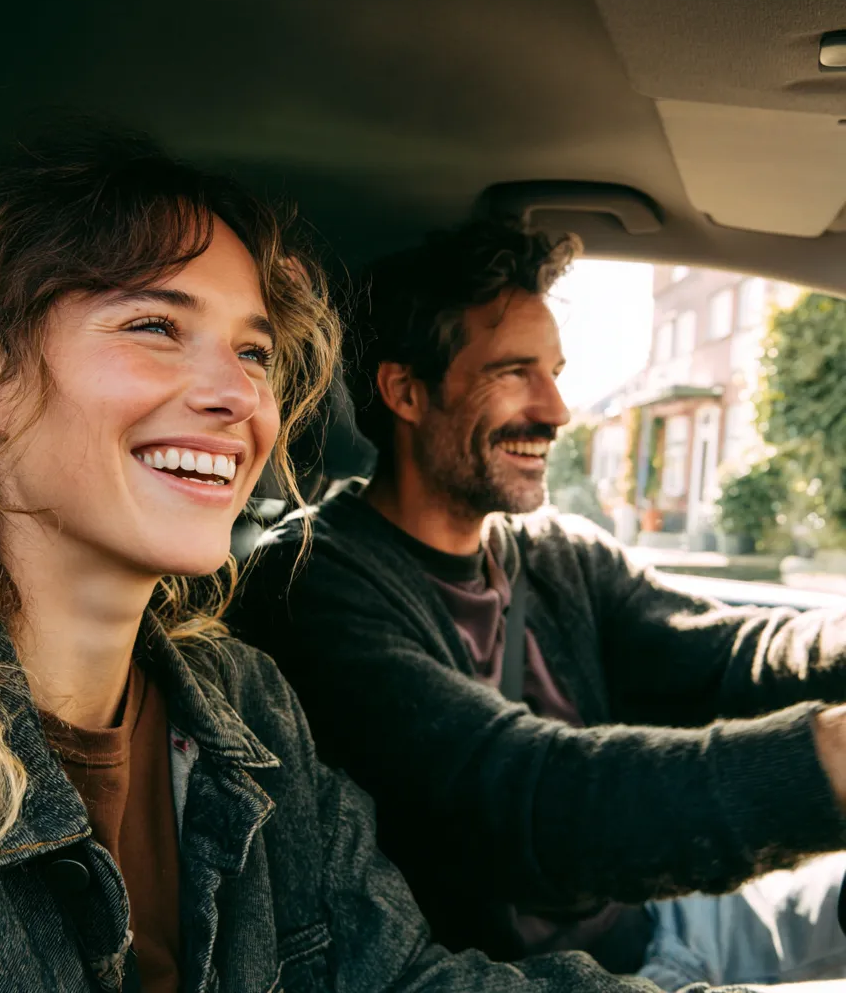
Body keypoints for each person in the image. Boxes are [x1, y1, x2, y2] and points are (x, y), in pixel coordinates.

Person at [0, 129, 738, 993]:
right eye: (153, 326)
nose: (238, 395)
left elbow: (396, 980)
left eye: (253, 351)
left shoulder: (246, 707)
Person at [227, 217, 846, 991]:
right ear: (405, 390)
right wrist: (827, 763)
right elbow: (525, 793)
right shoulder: (313, 586)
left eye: (554, 370)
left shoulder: (559, 552)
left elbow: (724, 650)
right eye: (514, 371)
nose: (556, 410)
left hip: (660, 919)